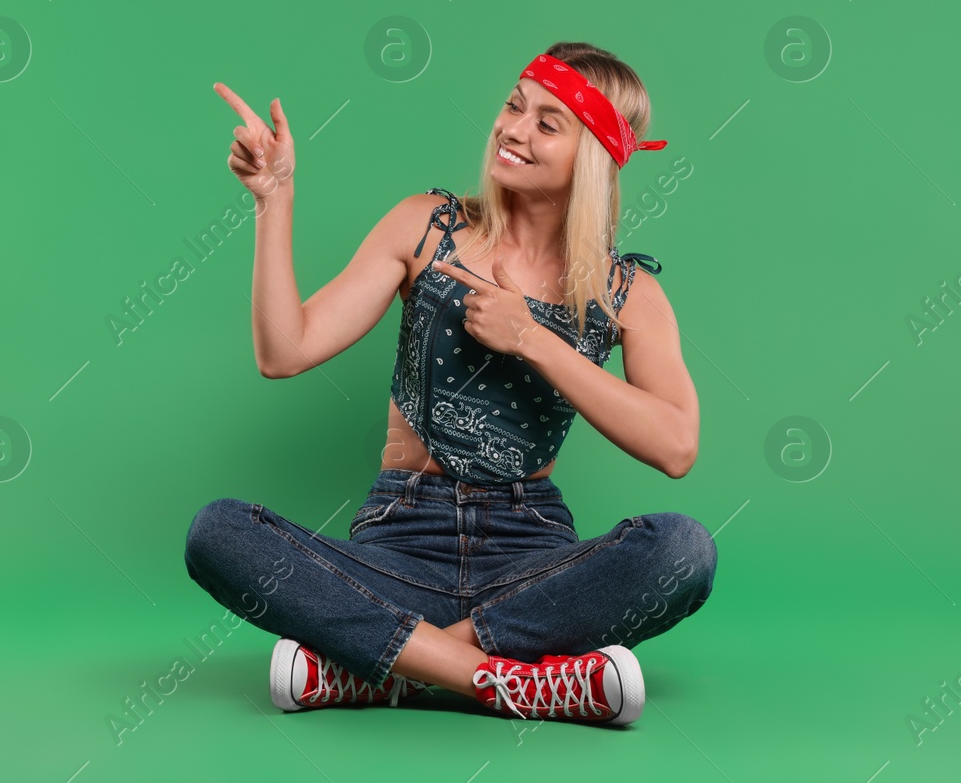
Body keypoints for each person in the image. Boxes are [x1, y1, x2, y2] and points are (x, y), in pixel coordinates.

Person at [183, 43, 716, 726]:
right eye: (514, 105)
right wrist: (274, 198)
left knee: (684, 549)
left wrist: (532, 339)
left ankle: (384, 666)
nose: (514, 130)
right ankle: (506, 679)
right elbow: (285, 350)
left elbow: (676, 445)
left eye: (548, 123)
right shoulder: (426, 225)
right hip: (401, 545)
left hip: (531, 563)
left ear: (593, 154)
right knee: (219, 531)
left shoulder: (627, 292)